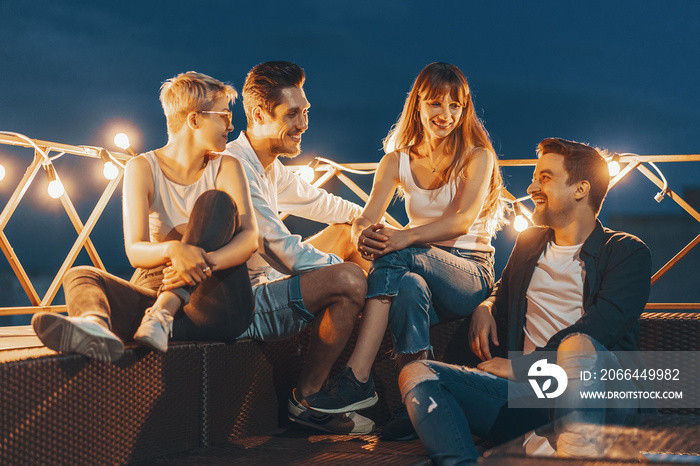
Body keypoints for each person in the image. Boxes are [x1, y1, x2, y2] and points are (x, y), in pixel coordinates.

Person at [399, 138, 652, 464]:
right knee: (417, 373)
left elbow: (603, 327)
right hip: (527, 400)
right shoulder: (529, 243)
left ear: (580, 189)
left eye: (544, 177)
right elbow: (502, 293)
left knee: (578, 346)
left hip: (600, 396)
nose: (531, 187)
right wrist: (486, 306)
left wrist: (525, 366)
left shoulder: (627, 252)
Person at [302, 62, 507, 441]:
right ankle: (418, 403)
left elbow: (461, 222)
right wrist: (366, 234)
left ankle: (358, 376)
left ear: (464, 111)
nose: (445, 115)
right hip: (418, 270)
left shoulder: (477, 156)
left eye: (455, 106)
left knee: (396, 252)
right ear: (417, 105)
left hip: (470, 273)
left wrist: (401, 238)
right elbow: (365, 218)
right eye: (435, 104)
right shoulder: (396, 161)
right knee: (408, 286)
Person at [32, 71, 258, 361]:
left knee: (214, 202)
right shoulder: (143, 167)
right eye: (224, 116)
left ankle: (164, 312)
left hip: (216, 306)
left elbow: (250, 237)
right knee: (79, 274)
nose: (231, 124)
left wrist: (201, 262)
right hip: (152, 304)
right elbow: (135, 251)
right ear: (194, 120)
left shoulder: (227, 167)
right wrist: (174, 250)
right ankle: (95, 326)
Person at [224, 61, 374, 435]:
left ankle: (369, 370)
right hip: (246, 303)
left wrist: (391, 230)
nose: (304, 124)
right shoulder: (234, 167)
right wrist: (342, 273)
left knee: (349, 230)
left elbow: (332, 207)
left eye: (305, 112)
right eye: (292, 114)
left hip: (271, 282)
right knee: (350, 279)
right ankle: (308, 398)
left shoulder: (271, 167)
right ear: (259, 115)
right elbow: (280, 251)